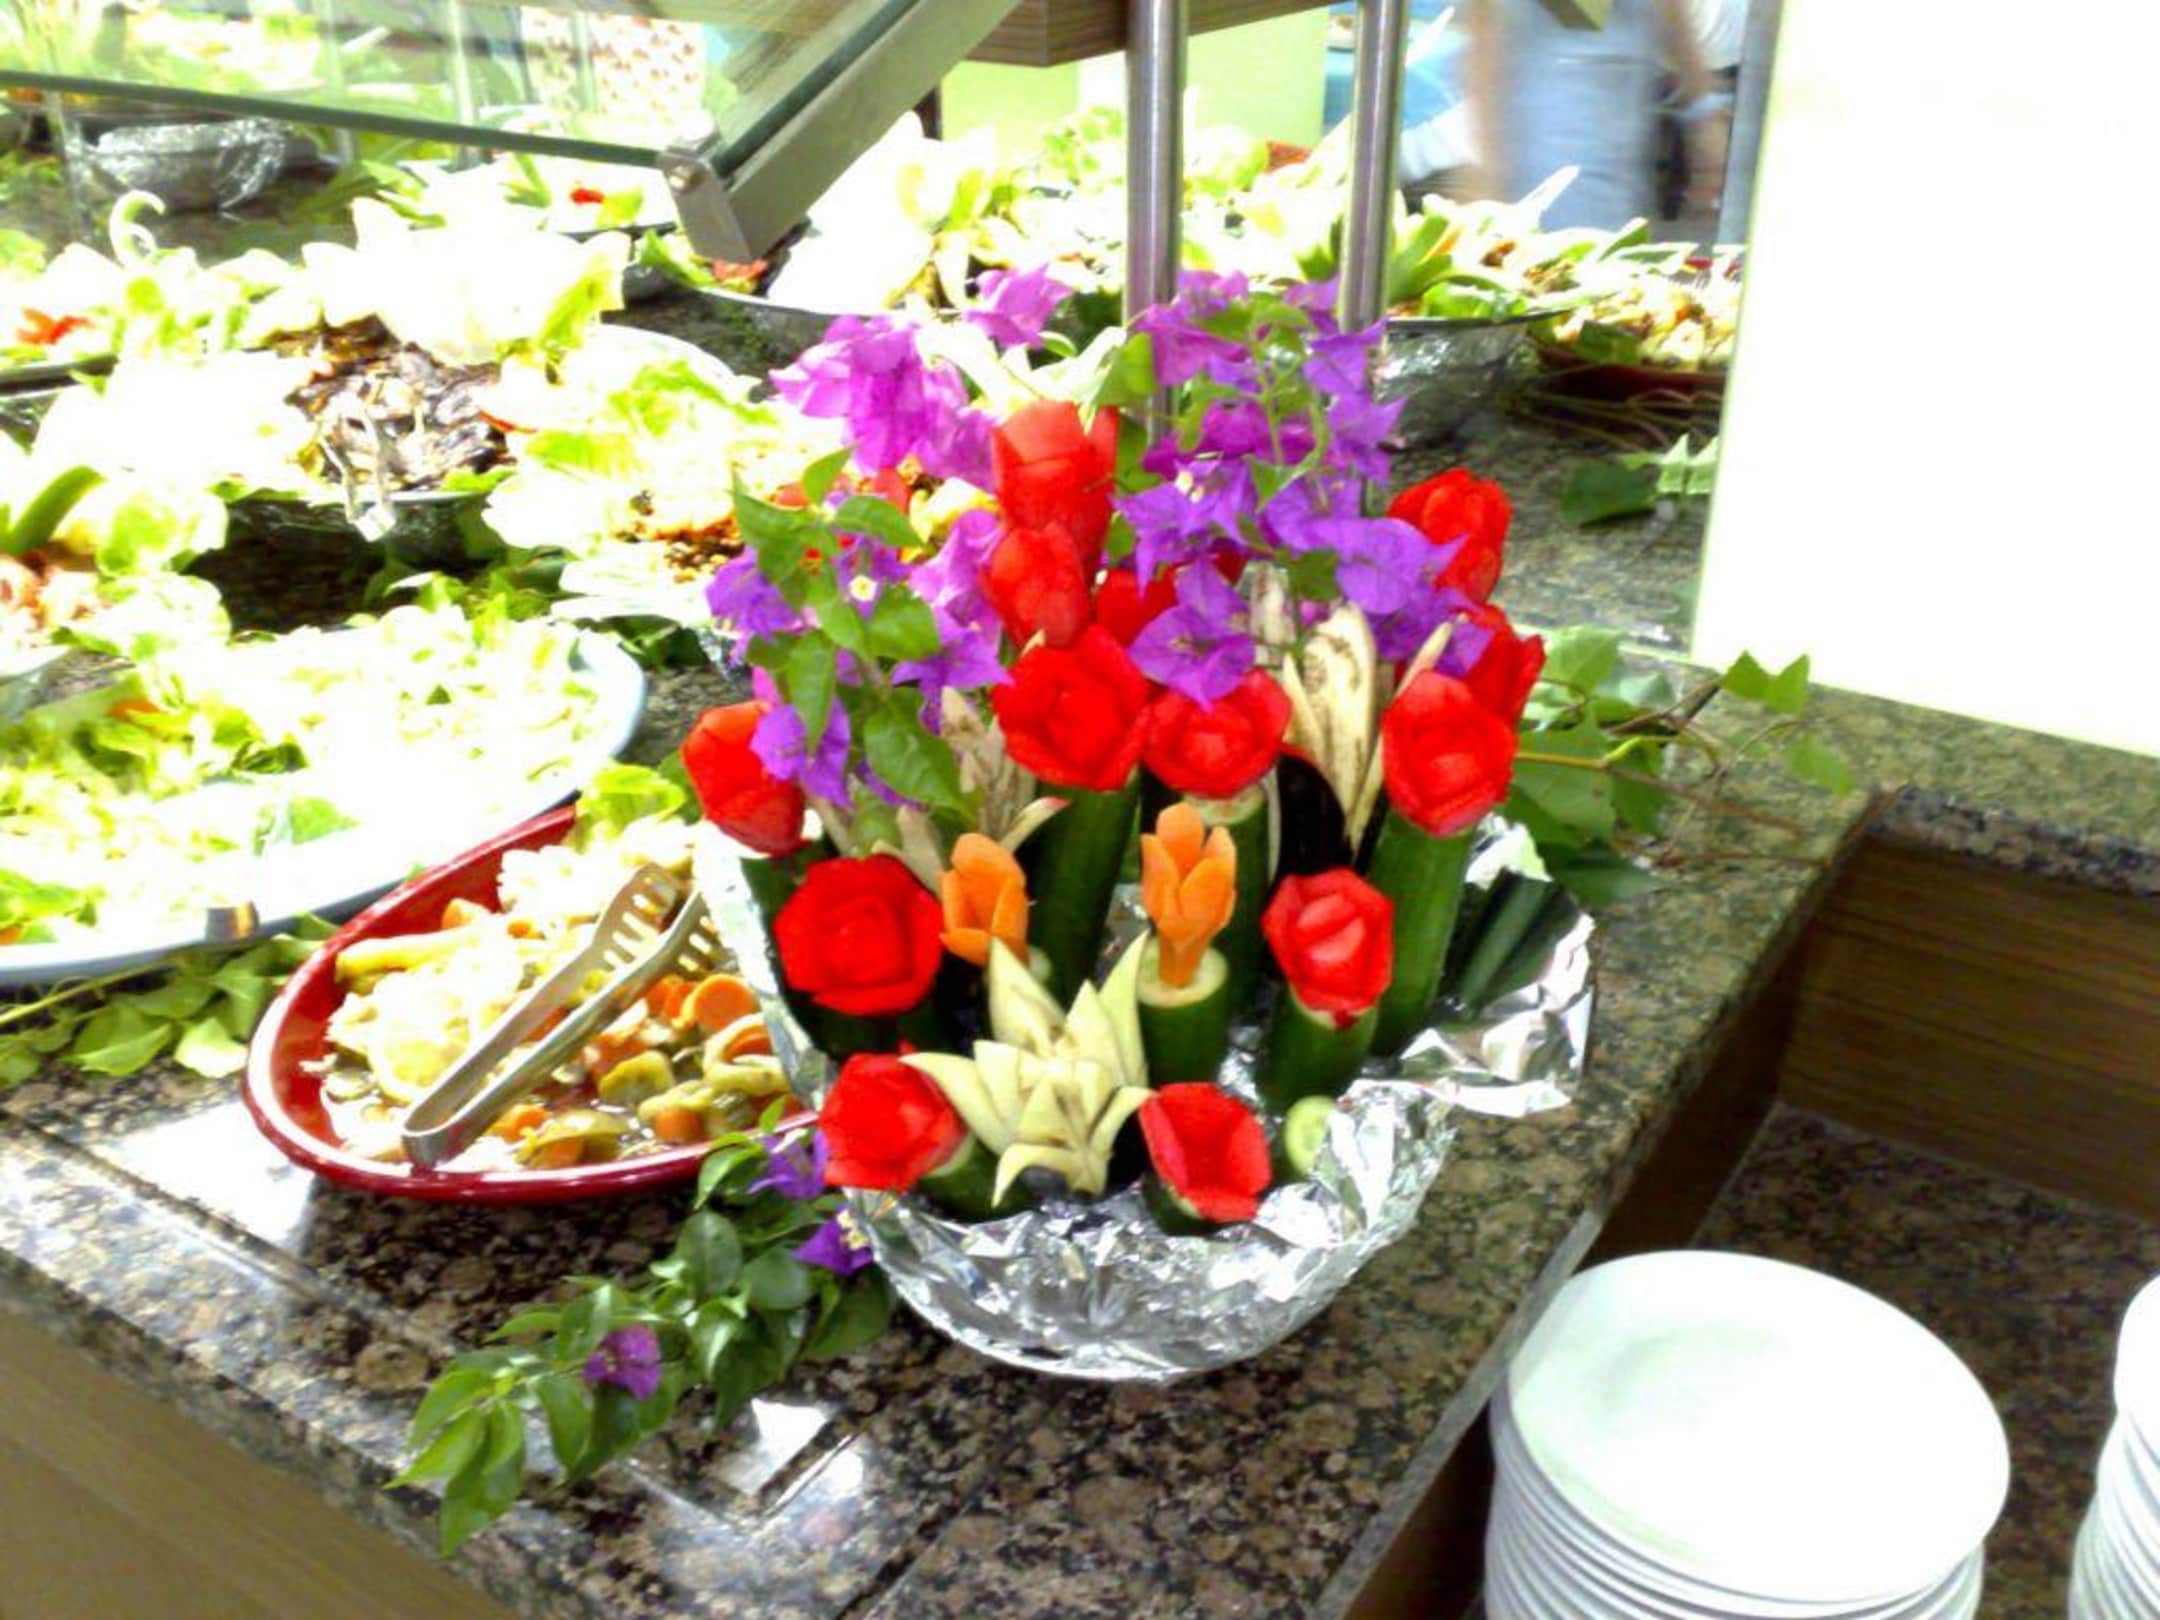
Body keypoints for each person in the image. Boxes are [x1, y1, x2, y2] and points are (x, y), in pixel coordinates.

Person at [1459, 0, 1730, 229]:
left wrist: (1703, 116)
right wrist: (1485, 171)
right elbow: (1485, 47)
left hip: (1622, 158)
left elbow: (1672, 19)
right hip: (1544, 152)